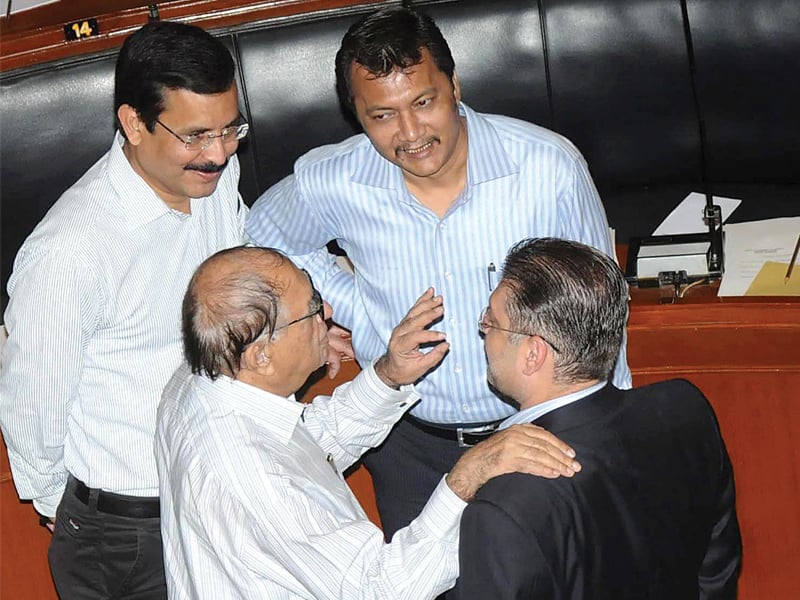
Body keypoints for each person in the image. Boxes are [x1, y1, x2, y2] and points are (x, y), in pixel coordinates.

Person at [245, 5, 632, 538]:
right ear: (356, 113)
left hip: (537, 435)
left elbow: (601, 321)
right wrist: (344, 307)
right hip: (411, 447)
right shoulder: (332, 180)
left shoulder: (548, 168)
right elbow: (262, 238)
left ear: (454, 85)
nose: (409, 133)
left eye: (423, 102)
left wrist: (606, 438)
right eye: (382, 115)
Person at [155, 245, 581, 599]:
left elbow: (305, 451)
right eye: (313, 311)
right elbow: (381, 588)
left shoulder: (202, 379)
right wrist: (465, 478)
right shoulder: (251, 469)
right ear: (260, 354)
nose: (329, 313)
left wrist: (387, 375)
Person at [0, 20, 249, 599]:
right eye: (195, 136)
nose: (218, 154)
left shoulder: (214, 170)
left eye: (230, 128)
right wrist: (72, 510)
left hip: (218, 490)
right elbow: (32, 408)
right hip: (128, 530)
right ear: (134, 123)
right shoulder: (70, 251)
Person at [452, 237, 742, 599]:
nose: (484, 332)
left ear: (533, 354)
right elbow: (717, 570)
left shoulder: (502, 507)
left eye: (491, 322)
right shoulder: (684, 408)